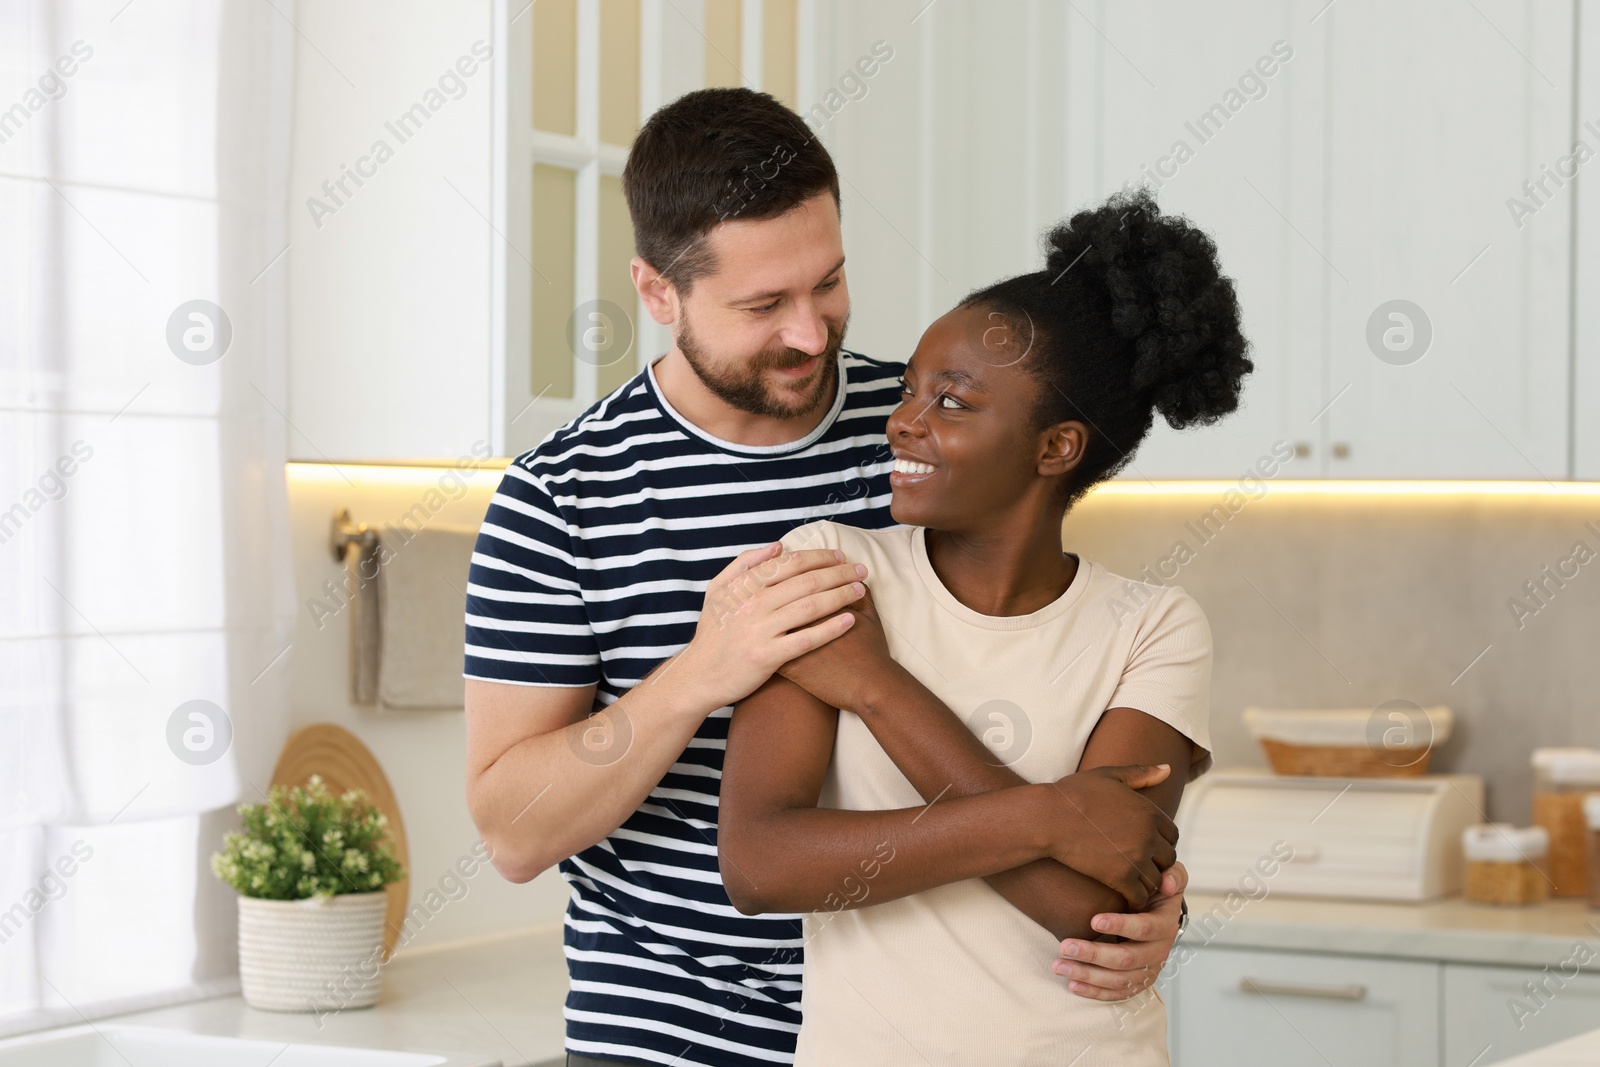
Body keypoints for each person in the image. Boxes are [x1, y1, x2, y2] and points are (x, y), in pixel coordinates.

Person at [462, 87, 1193, 1067]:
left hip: (918, 1026)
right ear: (656, 292)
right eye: (763, 305)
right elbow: (514, 831)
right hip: (672, 1034)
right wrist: (702, 672)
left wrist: (1123, 899)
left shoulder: (924, 437)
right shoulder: (564, 498)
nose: (811, 333)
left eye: (829, 282)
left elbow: (1047, 683)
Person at [718, 187, 1252, 1065]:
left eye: (953, 403)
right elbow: (761, 862)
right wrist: (1048, 818)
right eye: (908, 390)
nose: (904, 420)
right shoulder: (830, 569)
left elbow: (1096, 913)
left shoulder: (1152, 626)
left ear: (1056, 448)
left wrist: (880, 690)